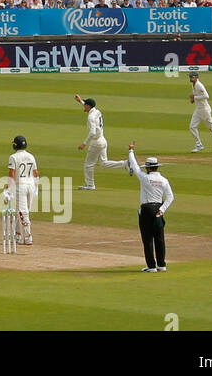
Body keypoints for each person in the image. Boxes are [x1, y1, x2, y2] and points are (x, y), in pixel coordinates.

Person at [126, 143, 174, 272]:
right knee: (160, 238)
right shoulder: (164, 180)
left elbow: (135, 166)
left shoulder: (145, 178)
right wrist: (162, 210)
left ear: (148, 168)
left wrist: (131, 151)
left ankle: (151, 266)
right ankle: (162, 265)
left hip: (147, 209)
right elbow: (170, 197)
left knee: (147, 239)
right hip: (159, 208)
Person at [74, 94, 127, 189]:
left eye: (85, 104)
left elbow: (92, 132)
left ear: (88, 106)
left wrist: (84, 143)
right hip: (103, 140)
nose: (84, 106)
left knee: (88, 165)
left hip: (96, 143)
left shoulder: (90, 117)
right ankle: (125, 163)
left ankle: (90, 185)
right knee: (103, 163)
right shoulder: (97, 111)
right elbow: (89, 107)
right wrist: (81, 101)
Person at [6, 135, 38, 246]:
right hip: (31, 186)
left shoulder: (13, 157)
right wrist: (36, 186)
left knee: (22, 212)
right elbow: (36, 173)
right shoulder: (31, 156)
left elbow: (11, 174)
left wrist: (8, 189)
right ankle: (19, 235)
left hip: (21, 187)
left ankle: (28, 237)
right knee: (24, 212)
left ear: (15, 145)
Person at [187, 71, 212, 153]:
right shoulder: (193, 85)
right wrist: (193, 99)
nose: (190, 78)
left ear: (196, 77)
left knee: (211, 127)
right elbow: (196, 96)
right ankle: (199, 145)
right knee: (192, 126)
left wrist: (195, 97)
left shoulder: (199, 85)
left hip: (204, 110)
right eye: (190, 77)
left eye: (192, 77)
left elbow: (206, 96)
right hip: (198, 109)